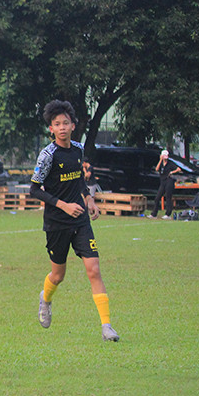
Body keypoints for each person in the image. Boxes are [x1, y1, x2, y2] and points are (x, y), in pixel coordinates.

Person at [30, 100, 119, 342]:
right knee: (58, 276)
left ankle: (107, 327)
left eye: (65, 123)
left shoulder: (78, 150)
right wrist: (63, 205)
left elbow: (79, 179)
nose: (62, 127)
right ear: (51, 129)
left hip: (80, 221)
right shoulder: (47, 155)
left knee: (94, 270)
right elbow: (34, 190)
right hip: (57, 223)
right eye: (57, 124)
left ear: (72, 126)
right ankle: (46, 299)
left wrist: (89, 199)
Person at [147, 149, 182, 219]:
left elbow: (179, 169)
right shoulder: (161, 163)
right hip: (163, 182)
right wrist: (160, 160)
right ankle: (154, 214)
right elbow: (157, 169)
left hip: (169, 181)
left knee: (168, 197)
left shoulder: (170, 163)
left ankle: (168, 214)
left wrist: (172, 172)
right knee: (157, 198)